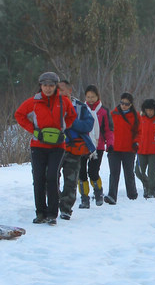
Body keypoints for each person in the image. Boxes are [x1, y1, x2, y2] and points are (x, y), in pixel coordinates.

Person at [15, 71, 77, 224]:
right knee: (38, 178)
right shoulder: (34, 101)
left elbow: (72, 116)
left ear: (56, 86)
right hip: (38, 145)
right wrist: (34, 131)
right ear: (40, 86)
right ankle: (40, 212)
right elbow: (19, 115)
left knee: (52, 177)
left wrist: (62, 129)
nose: (48, 88)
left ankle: (52, 213)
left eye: (51, 85)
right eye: (45, 85)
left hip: (58, 145)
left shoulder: (63, 101)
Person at [57, 79, 96, 219]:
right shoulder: (50, 105)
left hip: (74, 147)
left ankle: (66, 208)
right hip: (55, 147)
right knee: (51, 177)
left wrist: (71, 121)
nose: (59, 92)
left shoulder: (80, 107)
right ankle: (55, 201)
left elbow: (88, 125)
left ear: (69, 90)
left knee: (71, 180)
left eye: (61, 89)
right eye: (57, 90)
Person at [104, 92, 139, 204]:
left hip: (129, 148)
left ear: (131, 104)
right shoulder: (113, 114)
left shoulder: (135, 116)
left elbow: (139, 132)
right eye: (122, 103)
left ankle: (132, 194)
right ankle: (112, 196)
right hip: (114, 148)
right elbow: (107, 130)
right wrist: (108, 143)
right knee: (114, 172)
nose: (123, 105)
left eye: (126, 104)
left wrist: (136, 142)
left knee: (129, 172)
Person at [82, 84, 113, 206]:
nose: (90, 99)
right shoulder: (81, 109)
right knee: (81, 172)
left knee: (93, 172)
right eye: (88, 97)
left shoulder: (103, 111)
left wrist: (110, 143)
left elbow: (108, 129)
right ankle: (84, 197)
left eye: (93, 97)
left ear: (97, 97)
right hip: (83, 145)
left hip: (97, 146)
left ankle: (98, 191)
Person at [135, 99, 155, 199]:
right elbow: (136, 132)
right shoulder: (140, 119)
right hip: (141, 149)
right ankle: (147, 185)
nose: (149, 112)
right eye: (147, 110)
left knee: (152, 173)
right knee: (139, 172)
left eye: (151, 110)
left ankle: (151, 191)